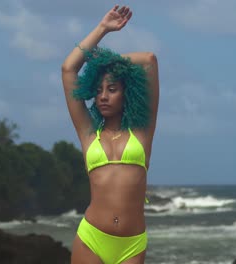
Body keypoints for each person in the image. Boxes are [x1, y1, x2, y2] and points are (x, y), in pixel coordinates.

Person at [61, 5, 159, 264]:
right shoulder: (88, 133)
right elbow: (69, 69)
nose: (103, 95)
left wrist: (106, 63)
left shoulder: (142, 132)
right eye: (99, 89)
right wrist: (102, 29)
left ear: (125, 92)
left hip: (131, 245)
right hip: (92, 238)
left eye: (112, 88)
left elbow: (149, 60)